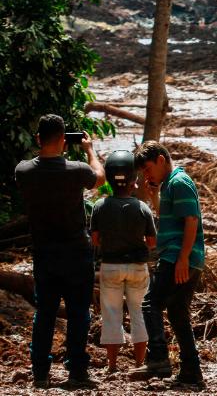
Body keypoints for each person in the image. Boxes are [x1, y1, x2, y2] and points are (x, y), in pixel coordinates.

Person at [14, 114, 105, 389]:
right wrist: (90, 150)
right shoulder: (77, 170)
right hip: (76, 253)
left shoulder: (24, 171)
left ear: (39, 139)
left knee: (46, 313)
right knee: (79, 313)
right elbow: (99, 178)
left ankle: (40, 373)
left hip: (45, 253)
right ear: (64, 141)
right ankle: (77, 371)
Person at [130, 141, 206, 387]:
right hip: (183, 256)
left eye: (148, 168)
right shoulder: (172, 184)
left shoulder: (178, 182)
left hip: (178, 257)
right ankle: (191, 370)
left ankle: (160, 358)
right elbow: (172, 218)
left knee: (150, 304)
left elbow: (191, 220)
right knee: (177, 313)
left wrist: (183, 257)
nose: (146, 174)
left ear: (161, 160)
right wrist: (154, 196)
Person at [90, 150, 156, 373]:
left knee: (111, 314)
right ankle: (139, 363)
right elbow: (152, 241)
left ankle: (112, 365)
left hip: (110, 266)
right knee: (139, 313)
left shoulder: (100, 206)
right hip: (137, 267)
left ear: (109, 178)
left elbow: (95, 239)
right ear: (134, 180)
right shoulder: (142, 208)